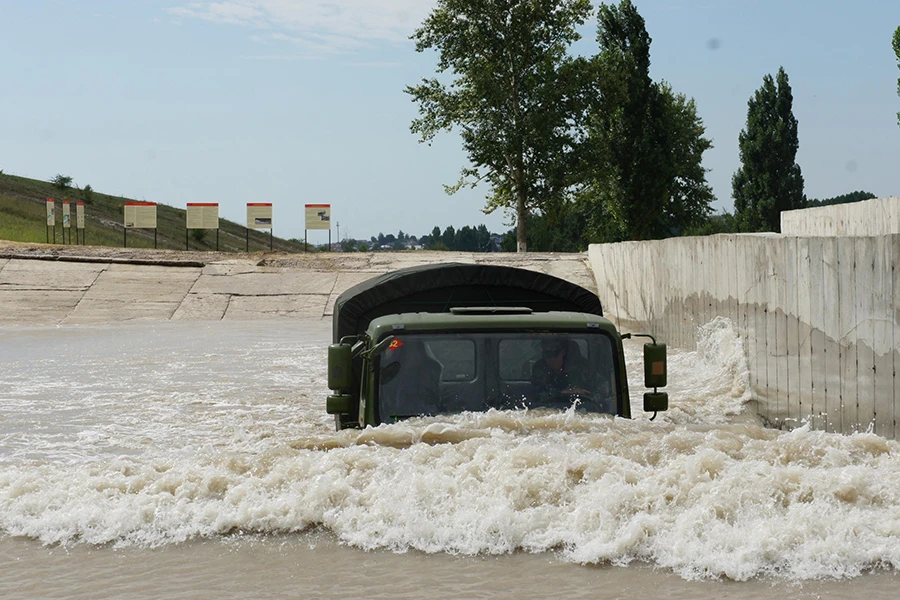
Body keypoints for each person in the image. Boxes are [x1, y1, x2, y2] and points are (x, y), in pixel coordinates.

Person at [530, 338, 592, 408]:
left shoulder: (581, 367)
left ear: (563, 352)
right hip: (547, 409)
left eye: (554, 354)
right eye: (546, 354)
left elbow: (603, 387)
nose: (550, 360)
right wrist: (563, 393)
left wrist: (590, 397)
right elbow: (538, 392)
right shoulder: (540, 368)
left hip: (582, 409)